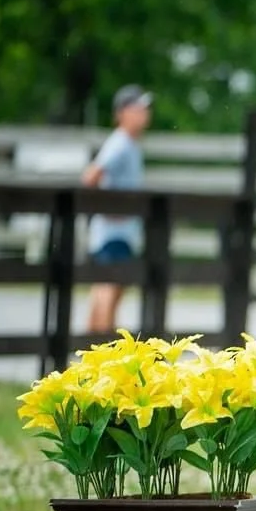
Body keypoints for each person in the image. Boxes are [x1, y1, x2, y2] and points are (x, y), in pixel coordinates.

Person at [83, 84, 151, 334]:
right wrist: (108, 209)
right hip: (112, 233)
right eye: (138, 108)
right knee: (107, 290)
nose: (145, 114)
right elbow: (91, 176)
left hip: (121, 233)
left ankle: (93, 352)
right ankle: (99, 349)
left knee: (110, 289)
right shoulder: (120, 144)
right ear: (122, 112)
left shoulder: (130, 145)